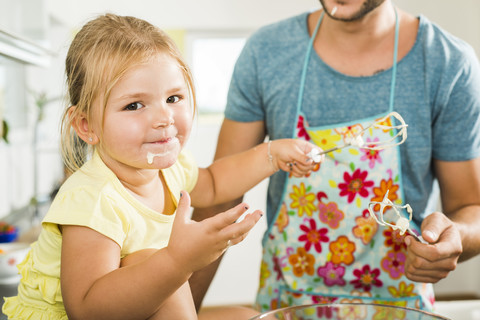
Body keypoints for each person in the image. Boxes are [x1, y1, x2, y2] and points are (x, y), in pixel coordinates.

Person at [1, 13, 322, 320]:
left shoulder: (170, 168)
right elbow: (87, 310)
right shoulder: (92, 199)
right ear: (86, 125)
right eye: (134, 105)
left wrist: (271, 154)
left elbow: (215, 182)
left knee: (252, 316)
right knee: (149, 260)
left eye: (173, 98)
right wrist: (176, 261)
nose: (164, 118)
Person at [190, 0, 480, 314]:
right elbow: (219, 201)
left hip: (399, 307)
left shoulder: (448, 62)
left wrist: (456, 239)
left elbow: (471, 208)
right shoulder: (265, 52)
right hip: (287, 305)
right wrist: (182, 309)